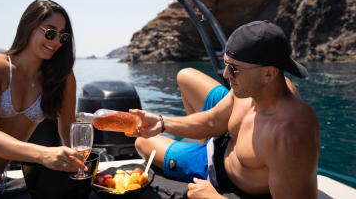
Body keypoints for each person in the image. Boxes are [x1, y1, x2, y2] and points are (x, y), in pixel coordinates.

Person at [131, 20, 320, 199]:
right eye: (225, 64)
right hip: (225, 133)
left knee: (142, 143)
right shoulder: (248, 90)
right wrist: (161, 123)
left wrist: (213, 196)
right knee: (185, 76)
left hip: (217, 168)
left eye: (234, 68)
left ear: (268, 73)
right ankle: (200, 143)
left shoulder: (290, 134)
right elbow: (212, 121)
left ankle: (198, 154)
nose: (225, 74)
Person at [0, 0, 86, 199]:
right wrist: (44, 154)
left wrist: (80, 165)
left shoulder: (62, 77)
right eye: (50, 32)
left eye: (63, 36)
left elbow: (69, 130)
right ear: (29, 26)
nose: (56, 42)